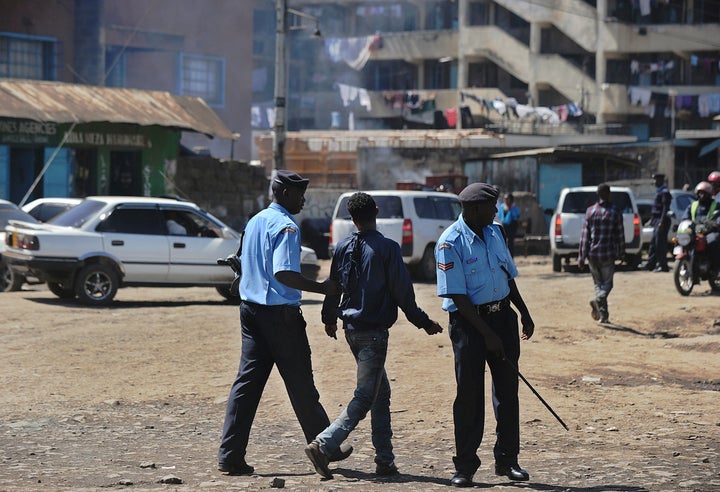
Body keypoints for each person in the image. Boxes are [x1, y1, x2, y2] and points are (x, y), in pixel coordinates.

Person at [217, 170, 352, 475]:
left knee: (247, 385)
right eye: (300, 194)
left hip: (251, 312)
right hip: (280, 316)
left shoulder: (255, 221)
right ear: (286, 194)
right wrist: (324, 288)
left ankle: (230, 455)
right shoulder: (286, 227)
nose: (304, 200)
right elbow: (283, 274)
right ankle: (324, 447)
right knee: (302, 384)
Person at [305, 192, 443, 479]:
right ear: (376, 212)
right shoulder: (388, 249)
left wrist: (329, 318)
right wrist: (424, 322)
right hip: (373, 334)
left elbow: (333, 287)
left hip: (350, 331)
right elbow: (403, 294)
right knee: (366, 395)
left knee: (381, 394)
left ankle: (385, 460)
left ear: (352, 218)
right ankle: (324, 443)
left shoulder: (343, 246)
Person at [435, 182, 535, 488]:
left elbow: (507, 276)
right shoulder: (450, 242)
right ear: (474, 209)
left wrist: (524, 312)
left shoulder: (496, 232)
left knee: (507, 393)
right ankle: (465, 466)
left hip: (503, 317)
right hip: (469, 325)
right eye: (491, 207)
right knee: (469, 396)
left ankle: (508, 460)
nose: (496, 210)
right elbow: (458, 297)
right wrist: (487, 334)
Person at [577, 183, 625, 324]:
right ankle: (598, 300)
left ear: (598, 195)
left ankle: (604, 317)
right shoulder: (615, 211)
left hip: (592, 255)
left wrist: (581, 257)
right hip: (608, 254)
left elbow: (584, 236)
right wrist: (622, 253)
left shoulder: (590, 211)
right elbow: (620, 235)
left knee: (598, 284)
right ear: (609, 194)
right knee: (608, 284)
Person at [681, 181, 719, 268]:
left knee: (713, 241)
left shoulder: (716, 205)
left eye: (704, 193)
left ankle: (715, 268)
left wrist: (715, 224)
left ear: (709, 194)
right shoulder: (693, 205)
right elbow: (685, 217)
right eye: (699, 193)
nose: (701, 195)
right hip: (695, 231)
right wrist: (684, 223)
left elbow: (718, 216)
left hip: (710, 231)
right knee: (681, 239)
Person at [642, 173, 672, 272]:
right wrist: (651, 220)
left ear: (661, 180)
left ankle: (663, 266)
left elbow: (664, 208)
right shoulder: (659, 192)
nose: (654, 182)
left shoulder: (664, 192)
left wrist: (661, 222)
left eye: (656, 180)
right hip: (657, 220)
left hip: (661, 220)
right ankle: (651, 264)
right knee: (654, 244)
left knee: (660, 244)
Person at [497, 193, 521, 257]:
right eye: (505, 199)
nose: (506, 200)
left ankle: (511, 256)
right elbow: (499, 215)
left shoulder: (514, 207)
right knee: (503, 241)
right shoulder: (502, 206)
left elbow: (517, 215)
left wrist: (510, 210)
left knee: (510, 242)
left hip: (512, 226)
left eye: (507, 199)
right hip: (504, 225)